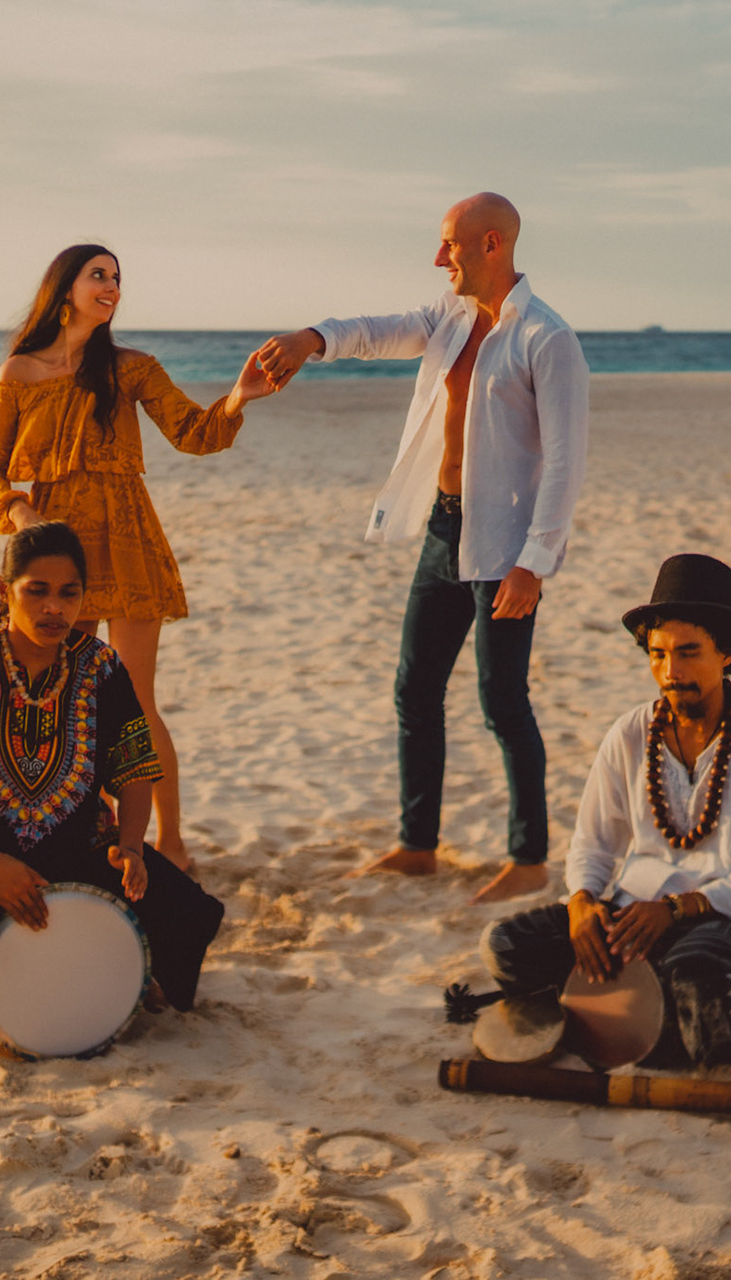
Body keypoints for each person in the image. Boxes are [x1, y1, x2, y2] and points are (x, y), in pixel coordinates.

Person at [256, 192, 589, 904]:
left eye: (451, 244)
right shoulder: (450, 316)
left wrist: (535, 562)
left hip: (504, 546)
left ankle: (529, 859)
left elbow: (565, 461)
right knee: (414, 689)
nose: (440, 258)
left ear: (492, 243)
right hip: (444, 529)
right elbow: (378, 332)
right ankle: (417, 847)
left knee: (503, 702)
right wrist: (311, 339)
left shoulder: (547, 338)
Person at [0, 245, 279, 875]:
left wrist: (238, 397)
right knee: (63, 694)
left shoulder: (131, 368)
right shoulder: (18, 374)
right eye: (99, 275)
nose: (112, 286)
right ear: (64, 289)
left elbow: (194, 434)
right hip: (58, 550)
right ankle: (88, 832)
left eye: (117, 278)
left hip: (127, 537)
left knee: (134, 700)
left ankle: (171, 842)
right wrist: (25, 517)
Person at [0, 520, 225, 1050]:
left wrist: (132, 845)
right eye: (36, 591)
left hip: (83, 846)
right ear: (4, 590)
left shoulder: (100, 667)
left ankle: (135, 965)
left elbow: (135, 768)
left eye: (68, 594)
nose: (54, 609)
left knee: (188, 913)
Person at [480, 555, 731, 1078]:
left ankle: (726, 1004)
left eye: (689, 652)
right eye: (658, 654)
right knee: (506, 947)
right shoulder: (629, 734)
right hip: (632, 910)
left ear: (727, 654)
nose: (671, 672)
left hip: (729, 917)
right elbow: (593, 843)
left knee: (696, 976)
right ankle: (654, 1015)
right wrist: (583, 903)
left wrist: (675, 910)